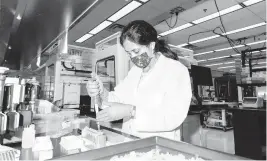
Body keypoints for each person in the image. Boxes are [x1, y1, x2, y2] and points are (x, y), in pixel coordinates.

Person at [87, 20, 192, 141]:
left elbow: (173, 117)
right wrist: (101, 92)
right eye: (128, 53)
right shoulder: (135, 71)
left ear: (151, 46)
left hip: (159, 146)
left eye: (136, 51)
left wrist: (131, 111)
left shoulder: (176, 70)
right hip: (131, 141)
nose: (132, 57)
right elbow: (118, 98)